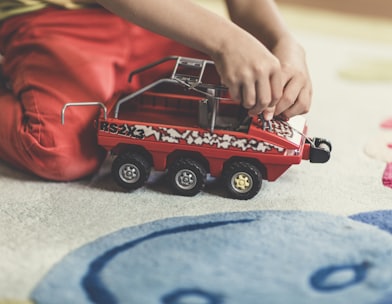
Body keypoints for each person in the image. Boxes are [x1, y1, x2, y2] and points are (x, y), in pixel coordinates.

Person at [0, 0, 312, 181]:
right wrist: (225, 40)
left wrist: (283, 42)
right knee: (56, 148)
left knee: (249, 78)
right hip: (56, 17)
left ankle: (109, 86)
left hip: (161, 15)